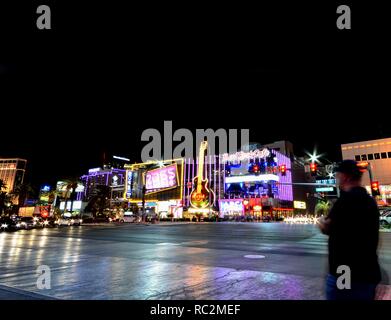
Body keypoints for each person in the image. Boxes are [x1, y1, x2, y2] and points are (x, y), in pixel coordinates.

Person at [318, 160, 381, 300]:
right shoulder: (370, 202)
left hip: (345, 272)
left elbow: (327, 226)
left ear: (345, 176)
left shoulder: (344, 201)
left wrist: (321, 222)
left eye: (337, 175)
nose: (336, 178)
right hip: (368, 272)